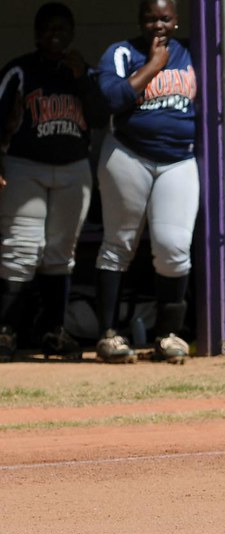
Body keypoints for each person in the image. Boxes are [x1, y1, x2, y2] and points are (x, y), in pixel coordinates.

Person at [92, 0, 197, 363]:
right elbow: (108, 97)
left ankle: (167, 336)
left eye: (165, 18)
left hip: (179, 158)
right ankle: (108, 335)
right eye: (151, 19)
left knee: (173, 247)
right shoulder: (123, 52)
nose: (158, 25)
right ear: (140, 20)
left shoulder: (189, 51)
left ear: (177, 19)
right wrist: (153, 66)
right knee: (118, 244)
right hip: (128, 154)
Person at [0, 2, 104, 362]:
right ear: (36, 33)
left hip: (73, 167)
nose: (55, 35)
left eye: (62, 28)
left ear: (72, 33)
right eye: (48, 29)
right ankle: (6, 332)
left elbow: (100, 115)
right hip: (25, 166)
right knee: (21, 250)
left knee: (61, 253)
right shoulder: (20, 69)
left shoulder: (84, 72)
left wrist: (81, 80)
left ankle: (54, 331)